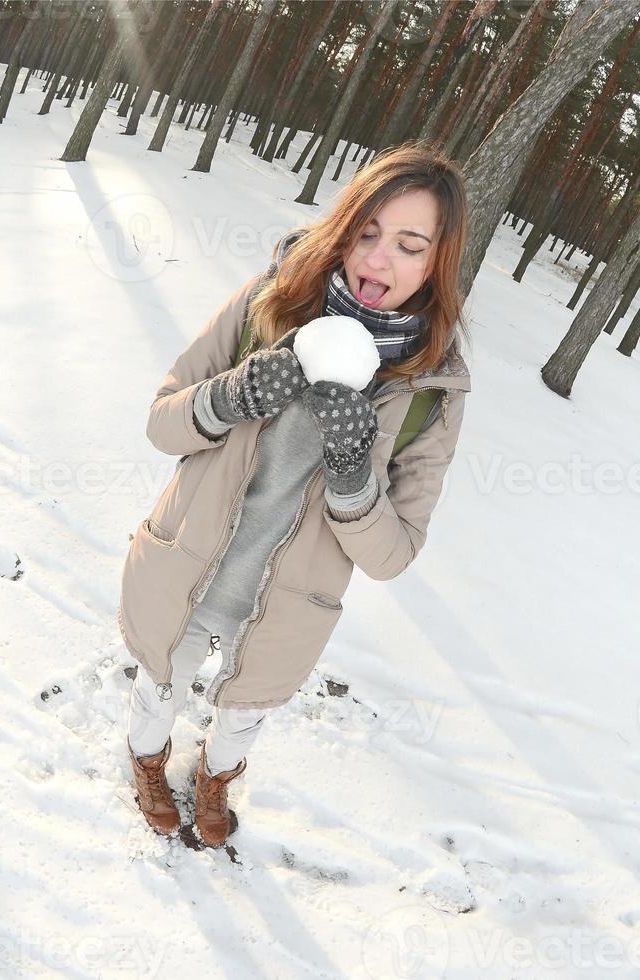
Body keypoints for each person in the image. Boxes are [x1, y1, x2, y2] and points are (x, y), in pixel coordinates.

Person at [118, 141, 472, 847]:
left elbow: (391, 555)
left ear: (437, 262)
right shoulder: (268, 302)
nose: (377, 260)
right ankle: (148, 758)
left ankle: (216, 777)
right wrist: (234, 394)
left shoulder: (430, 389)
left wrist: (351, 471)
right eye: (367, 233)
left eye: (408, 245)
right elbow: (163, 422)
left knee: (244, 713)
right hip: (184, 564)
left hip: (285, 610)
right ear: (342, 227)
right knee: (159, 683)